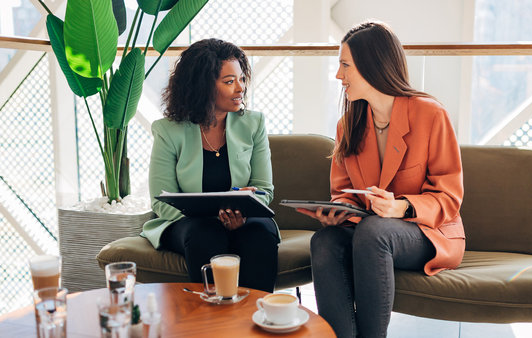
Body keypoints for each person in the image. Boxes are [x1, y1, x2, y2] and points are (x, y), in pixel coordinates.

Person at [297, 21, 465, 337]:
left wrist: (400, 207)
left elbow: (449, 195)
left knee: (375, 232)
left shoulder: (430, 114)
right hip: (367, 230)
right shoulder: (348, 125)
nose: (338, 76)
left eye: (344, 65)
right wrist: (338, 212)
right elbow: (342, 191)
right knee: (325, 241)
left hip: (428, 233)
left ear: (371, 65)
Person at [141, 38, 279, 293]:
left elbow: (264, 189)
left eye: (242, 79)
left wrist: (246, 210)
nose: (240, 88)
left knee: (260, 231)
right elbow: (161, 200)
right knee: (205, 232)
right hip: (188, 223)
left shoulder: (253, 124)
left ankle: (256, 317)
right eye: (229, 82)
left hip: (243, 220)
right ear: (202, 87)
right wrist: (215, 219)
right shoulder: (169, 131)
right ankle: (212, 322)